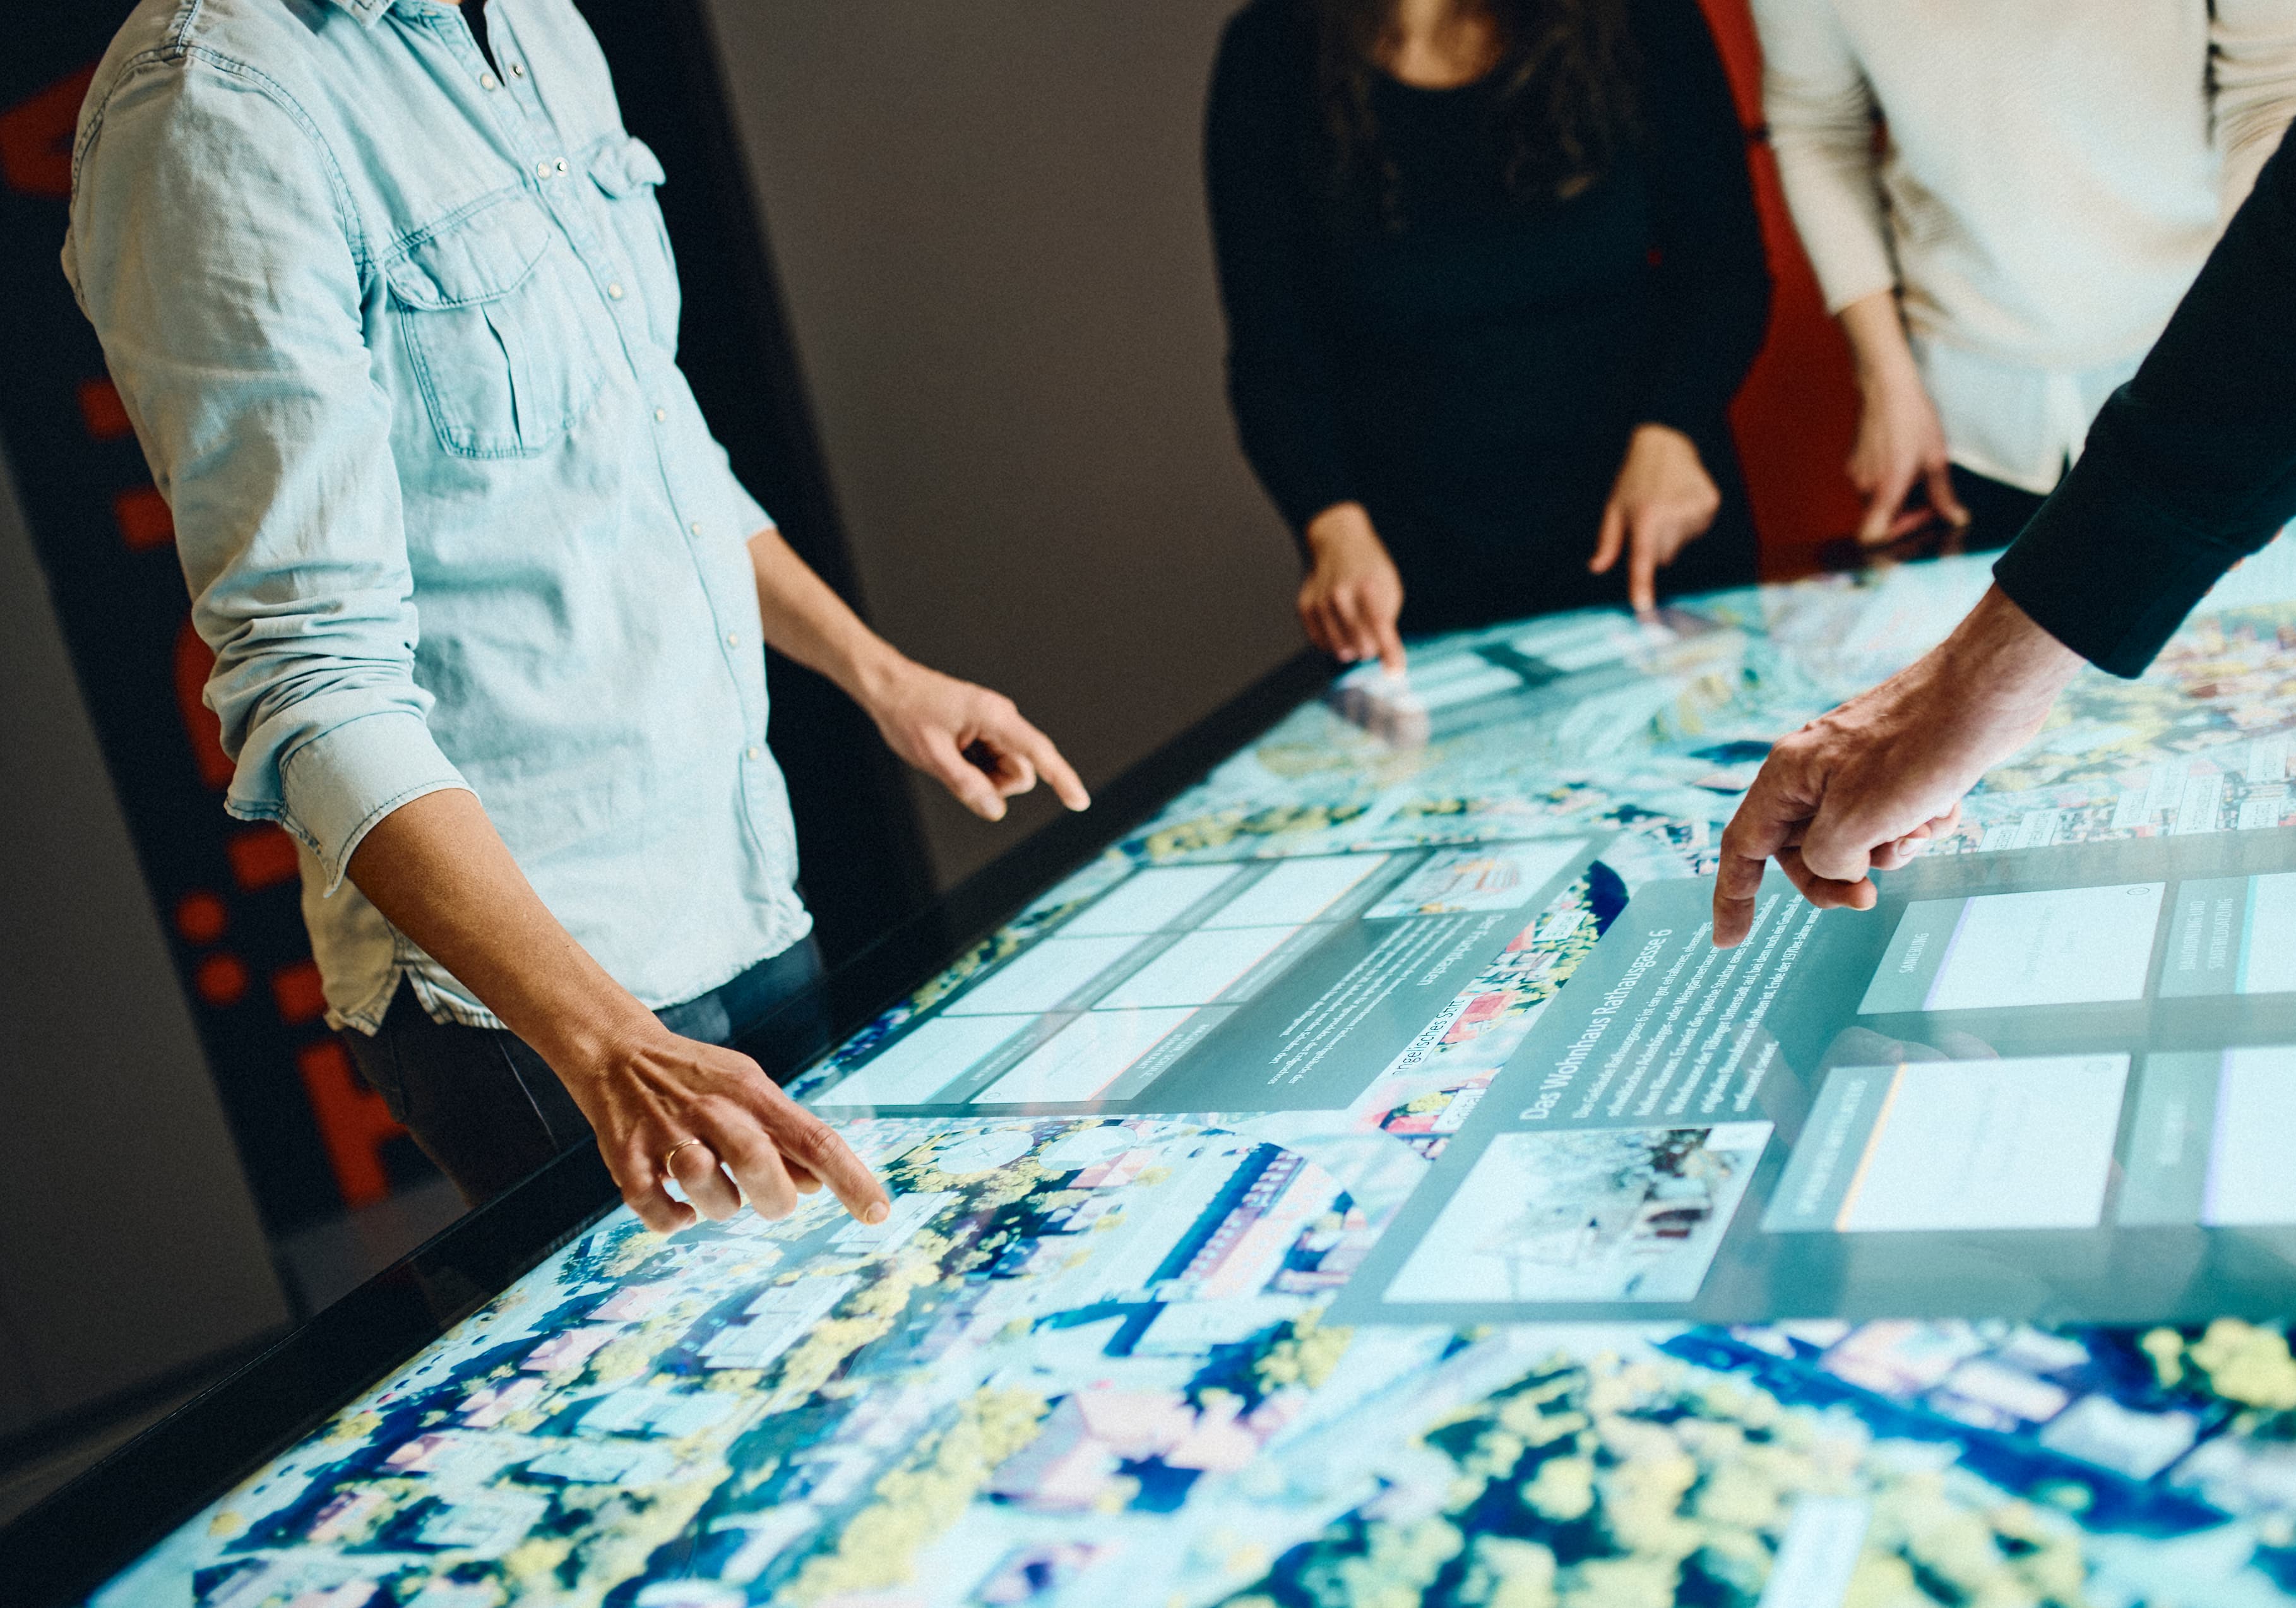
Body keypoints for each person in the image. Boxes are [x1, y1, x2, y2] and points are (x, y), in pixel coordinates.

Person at [66, 0, 1091, 1233]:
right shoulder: (208, 101)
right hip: (542, 999)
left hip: (730, 880)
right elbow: (309, 678)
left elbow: (649, 446)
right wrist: (612, 1046)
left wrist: (878, 673)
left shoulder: (539, 23)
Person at [1711, 0, 2296, 950]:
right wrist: (1885, 370)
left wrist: (2224, 361)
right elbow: (1815, 120)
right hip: (2001, 406)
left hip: (2228, 384)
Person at [1206, 0, 1771, 672]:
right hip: (1421, 587)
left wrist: (1672, 430)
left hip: (1655, 547)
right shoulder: (1267, 54)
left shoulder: (1638, 17)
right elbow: (1272, 354)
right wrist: (1330, 523)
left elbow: (1723, 271)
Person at [1753, 0, 2296, 550]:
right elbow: (1818, 122)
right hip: (1969, 410)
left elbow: (2280, 82)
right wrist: (1883, 376)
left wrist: (2252, 344)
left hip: (2228, 362)